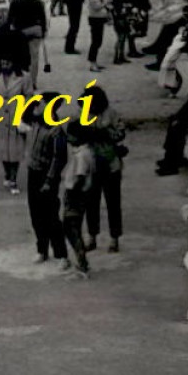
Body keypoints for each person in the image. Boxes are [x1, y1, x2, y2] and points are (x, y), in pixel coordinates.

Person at [23, 94, 69, 267]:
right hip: (33, 173)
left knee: (51, 216)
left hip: (46, 175)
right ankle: (42, 249)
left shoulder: (56, 131)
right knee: (35, 214)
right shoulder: (35, 123)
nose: (36, 106)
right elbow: (24, 113)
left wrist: (49, 180)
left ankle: (61, 254)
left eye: (40, 104)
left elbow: (59, 159)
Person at [88, 86, 127, 253]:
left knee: (113, 203)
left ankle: (114, 238)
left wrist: (106, 133)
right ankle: (92, 236)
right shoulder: (85, 113)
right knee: (91, 203)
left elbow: (121, 133)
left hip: (111, 164)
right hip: (92, 165)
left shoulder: (112, 113)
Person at [59, 121, 97, 279]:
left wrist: (72, 193)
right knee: (73, 228)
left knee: (71, 229)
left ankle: (82, 265)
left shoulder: (82, 155)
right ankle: (82, 263)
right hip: (80, 195)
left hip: (76, 195)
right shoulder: (87, 152)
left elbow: (80, 177)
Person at [0, 56, 33, 192]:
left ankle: (13, 179)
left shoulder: (24, 77)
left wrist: (23, 113)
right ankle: (7, 173)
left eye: (7, 62)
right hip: (1, 118)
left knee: (15, 150)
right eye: (2, 63)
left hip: (16, 116)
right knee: (3, 149)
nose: (4, 66)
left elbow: (29, 95)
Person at [7, 0, 50, 74]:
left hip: (20, 31)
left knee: (20, 56)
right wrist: (44, 30)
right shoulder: (37, 0)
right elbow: (43, 17)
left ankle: (22, 79)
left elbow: (10, 18)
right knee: (34, 57)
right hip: (35, 30)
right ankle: (32, 81)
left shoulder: (16, 0)